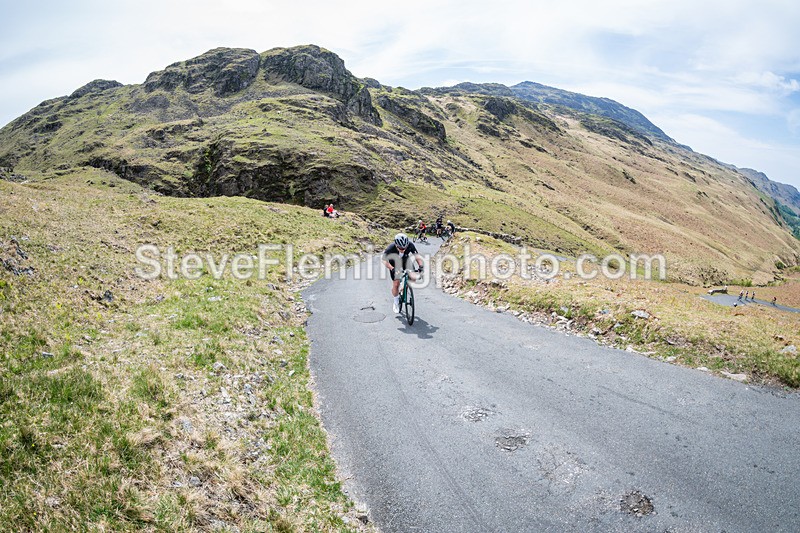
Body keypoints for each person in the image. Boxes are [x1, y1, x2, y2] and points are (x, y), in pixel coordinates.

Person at [383, 233, 423, 313]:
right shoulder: (391, 247)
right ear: (396, 245)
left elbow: (417, 256)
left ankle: (403, 289)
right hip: (394, 263)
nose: (403, 250)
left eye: (404, 248)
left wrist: (421, 266)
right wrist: (392, 268)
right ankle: (396, 301)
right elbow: (384, 260)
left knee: (413, 277)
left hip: (406, 261)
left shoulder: (410, 245)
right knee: (396, 283)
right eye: (401, 248)